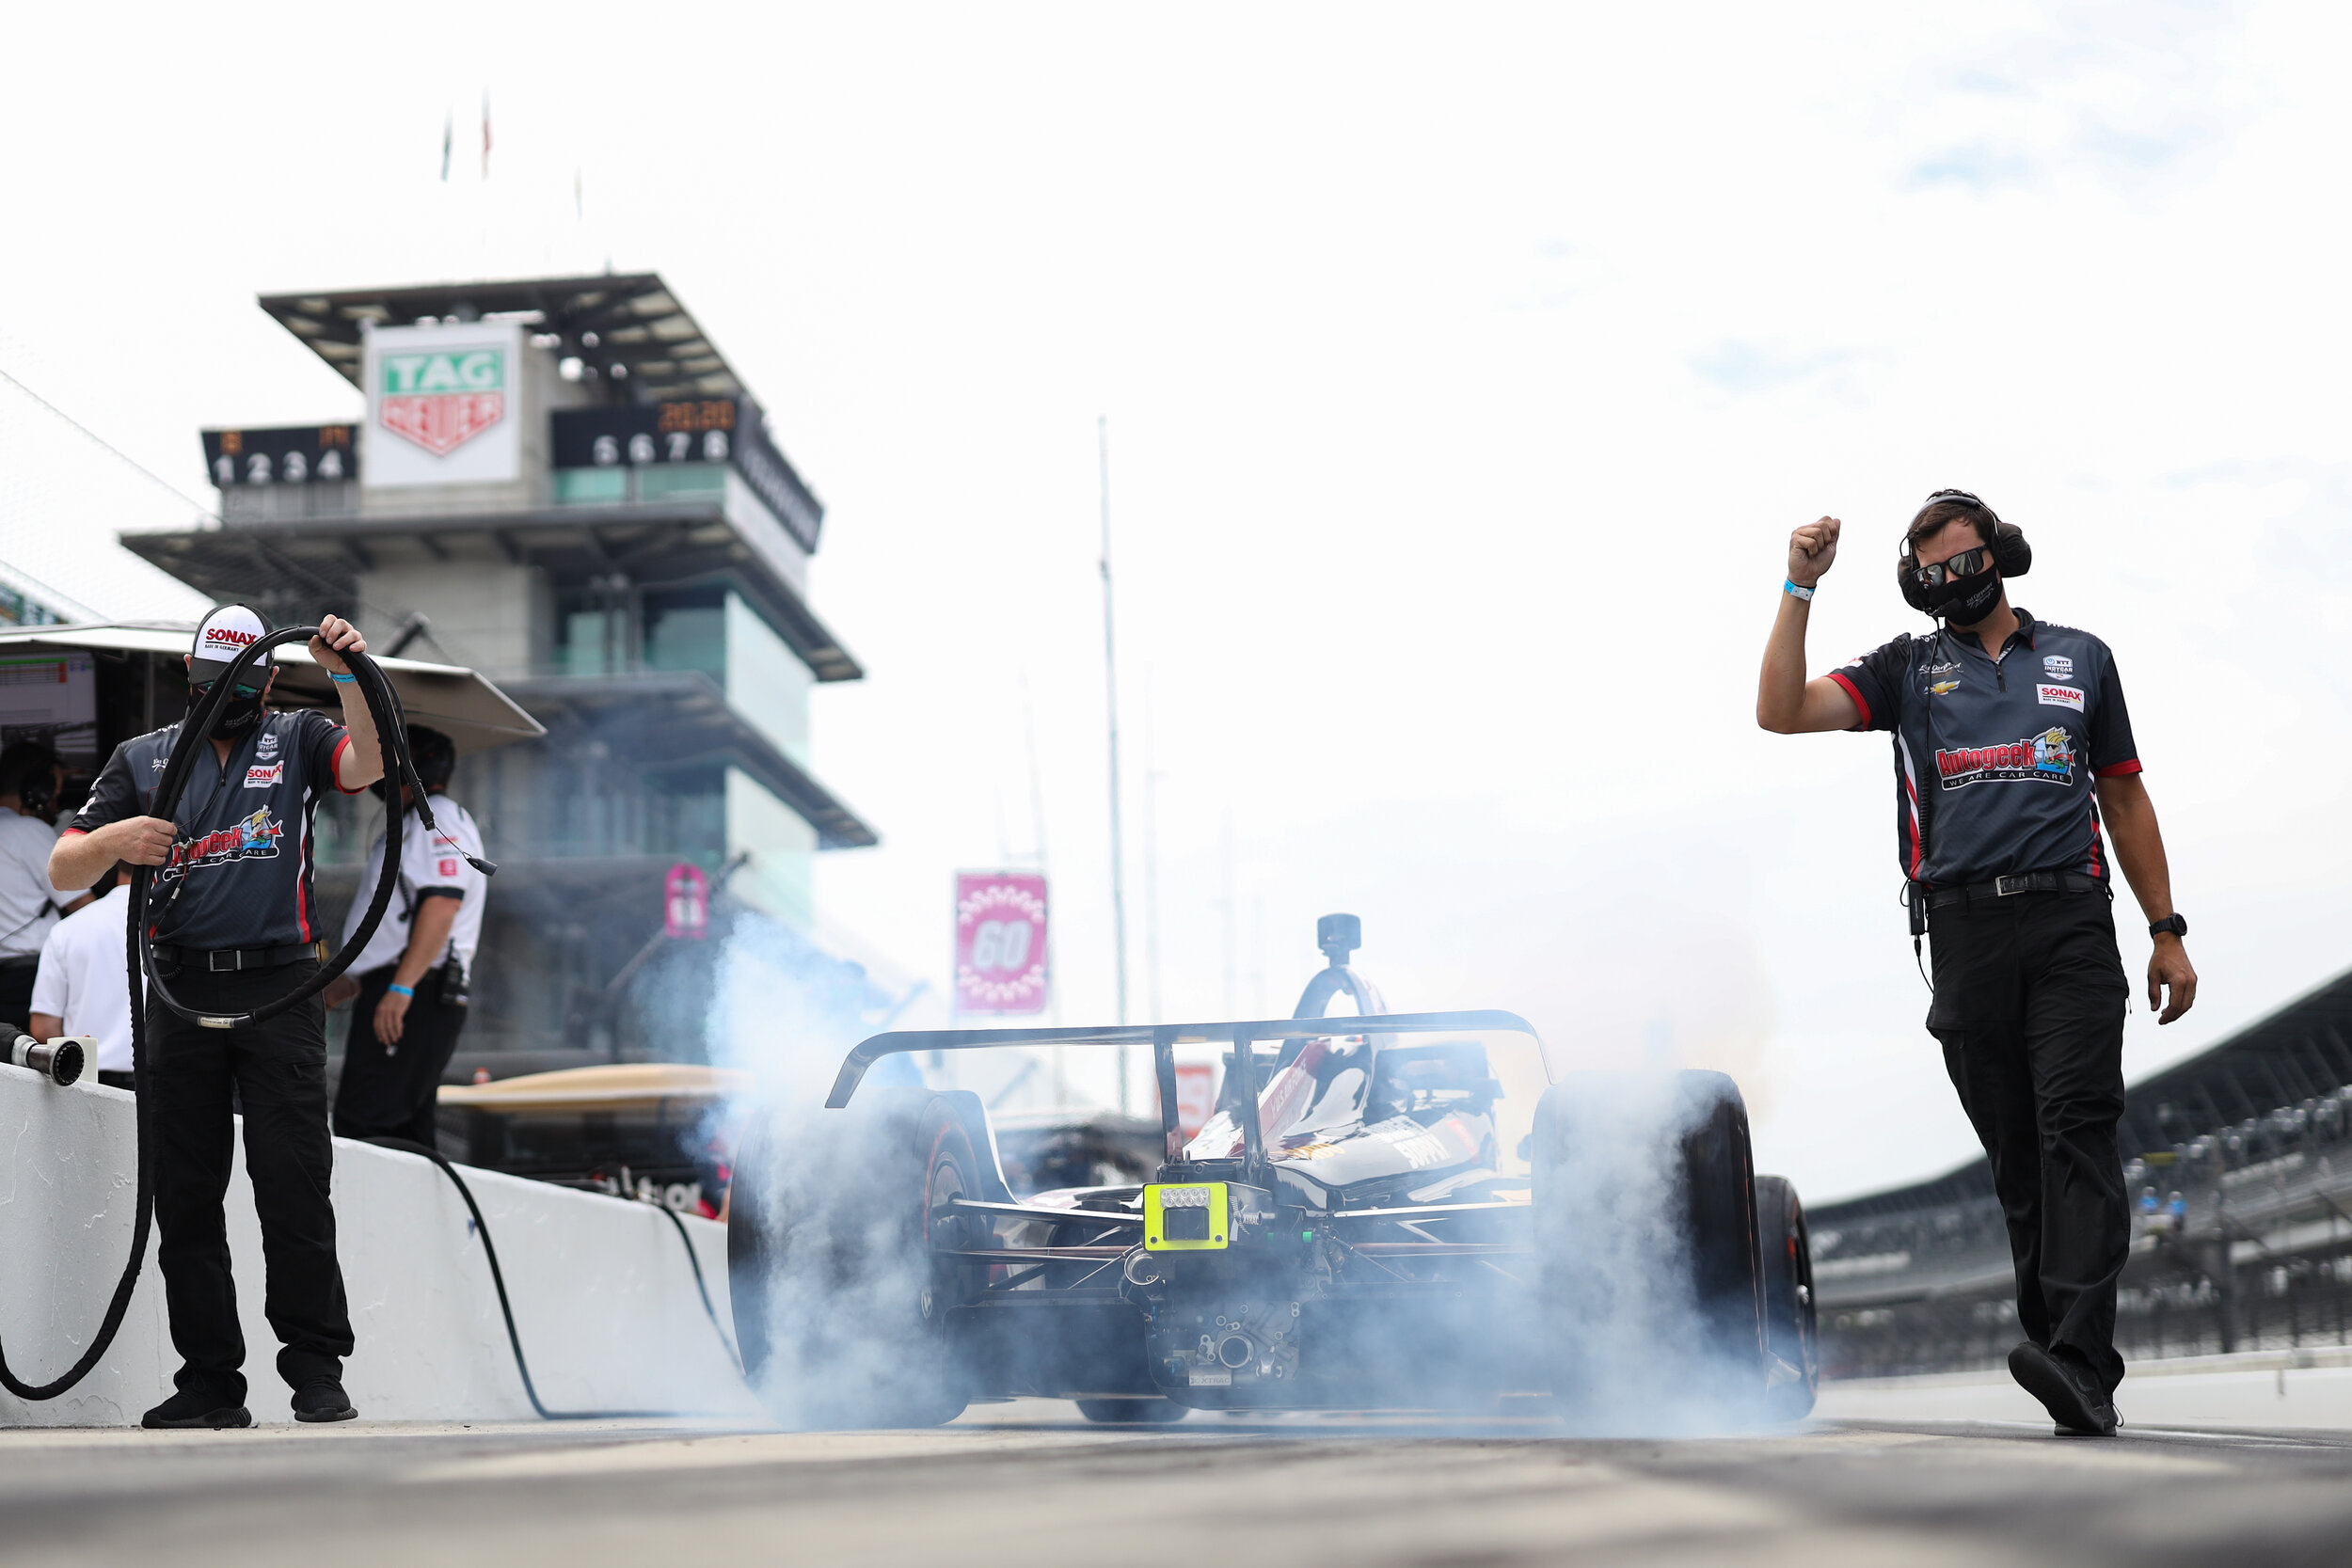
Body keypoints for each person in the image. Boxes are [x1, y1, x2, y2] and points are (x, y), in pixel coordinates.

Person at [1756, 490, 2196, 1438]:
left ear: (1998, 556)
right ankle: (2062, 1358)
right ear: (1916, 584)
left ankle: (2080, 1358)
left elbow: (2122, 798)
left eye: (1963, 563)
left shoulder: (2082, 658)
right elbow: (1780, 710)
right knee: (2020, 1156)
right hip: (1962, 934)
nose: (1951, 583)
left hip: (2072, 920)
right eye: (1931, 573)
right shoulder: (1906, 670)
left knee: (2077, 1123)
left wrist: (2165, 927)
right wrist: (1799, 583)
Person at [51, 605, 383, 1430]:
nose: (214, 700)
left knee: (292, 1180)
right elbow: (63, 866)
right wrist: (117, 839)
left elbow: (369, 764)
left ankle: (314, 1366)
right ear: (188, 677)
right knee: (186, 1194)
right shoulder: (144, 757)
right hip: (181, 988)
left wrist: (346, 669)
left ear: (266, 680)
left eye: (230, 689)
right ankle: (210, 1380)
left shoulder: (301, 736)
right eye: (203, 686)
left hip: (282, 990)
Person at [328, 725, 485, 1150]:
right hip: (401, 987)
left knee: (367, 1125)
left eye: (388, 759)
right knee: (401, 1130)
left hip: (413, 990)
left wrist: (400, 988)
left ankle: (369, 1218)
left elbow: (442, 905)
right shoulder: (419, 821)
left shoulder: (438, 819)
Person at [29, 863, 135, 1090]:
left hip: (86, 1079)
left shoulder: (68, 929)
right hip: (170, 1080)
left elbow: (43, 1027)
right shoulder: (184, 925)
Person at [0, 741, 71, 1022]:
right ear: (37, 788)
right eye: (55, 791)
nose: (56, 799)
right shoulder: (30, 831)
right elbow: (81, 904)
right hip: (29, 974)